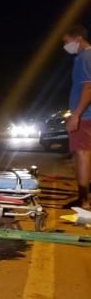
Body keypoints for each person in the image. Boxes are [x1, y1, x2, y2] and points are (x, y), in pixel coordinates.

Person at [63, 24, 91, 209]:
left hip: (86, 115)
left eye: (67, 42)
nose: (65, 46)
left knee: (82, 154)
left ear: (78, 38)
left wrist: (76, 115)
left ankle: (84, 201)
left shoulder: (85, 57)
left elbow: (88, 87)